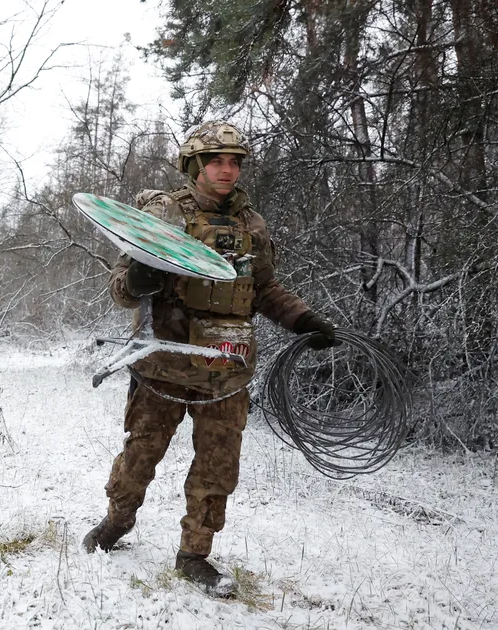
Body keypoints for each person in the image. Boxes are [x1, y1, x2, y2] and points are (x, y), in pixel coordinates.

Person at [81, 121, 339, 596]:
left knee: (217, 466)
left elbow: (263, 289)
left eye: (234, 162)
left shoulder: (251, 226)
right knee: (142, 452)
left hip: (226, 367)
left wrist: (304, 321)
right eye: (217, 161)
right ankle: (117, 521)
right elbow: (120, 289)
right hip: (164, 365)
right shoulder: (162, 214)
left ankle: (195, 555)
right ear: (195, 166)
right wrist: (138, 278)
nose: (227, 170)